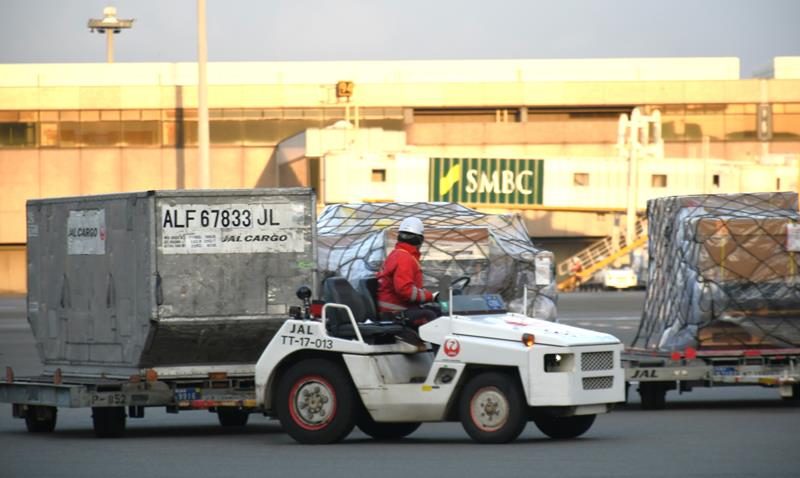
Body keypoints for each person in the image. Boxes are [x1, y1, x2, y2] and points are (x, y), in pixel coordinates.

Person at [376, 217, 440, 329]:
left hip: (395, 309)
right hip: (394, 312)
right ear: (420, 240)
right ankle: (437, 341)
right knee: (430, 316)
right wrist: (430, 296)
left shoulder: (398, 254)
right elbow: (405, 290)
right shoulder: (405, 258)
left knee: (436, 310)